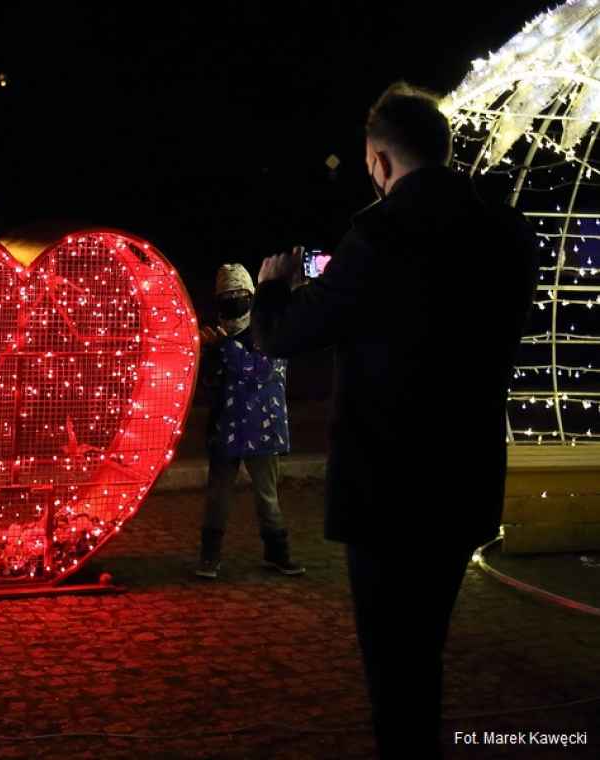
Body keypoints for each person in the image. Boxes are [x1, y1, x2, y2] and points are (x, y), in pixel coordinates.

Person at [251, 83, 538, 759]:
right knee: (425, 648)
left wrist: (271, 284)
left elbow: (284, 335)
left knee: (393, 664)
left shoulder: (379, 233)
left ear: (379, 161)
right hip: (465, 476)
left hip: (386, 488)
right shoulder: (505, 230)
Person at [197, 262, 304, 579]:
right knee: (217, 496)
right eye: (226, 296)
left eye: (238, 294)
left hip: (262, 426)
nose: (232, 300)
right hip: (225, 426)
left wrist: (223, 348)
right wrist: (209, 356)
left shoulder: (265, 329)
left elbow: (260, 370)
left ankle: (277, 553)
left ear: (250, 296)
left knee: (267, 496)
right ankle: (209, 557)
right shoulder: (217, 336)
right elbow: (210, 383)